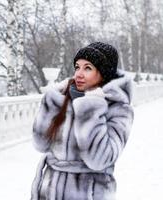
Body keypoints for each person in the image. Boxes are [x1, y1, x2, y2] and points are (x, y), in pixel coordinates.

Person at [31, 42, 134, 200]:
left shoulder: (118, 108)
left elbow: (100, 160)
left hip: (88, 193)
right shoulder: (64, 99)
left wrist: (91, 108)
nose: (78, 74)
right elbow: (40, 144)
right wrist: (52, 102)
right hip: (49, 190)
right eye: (77, 67)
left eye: (87, 68)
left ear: (104, 73)